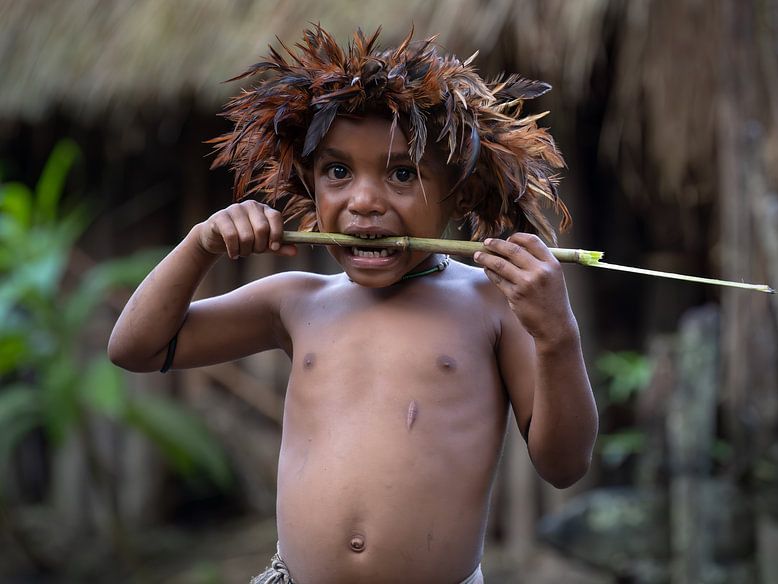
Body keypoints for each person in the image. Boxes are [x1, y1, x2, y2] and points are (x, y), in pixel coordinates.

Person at [108, 25, 598, 584]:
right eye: (338, 172)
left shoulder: (493, 305)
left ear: (459, 191)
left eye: (403, 173)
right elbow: (136, 348)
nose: (364, 202)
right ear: (309, 183)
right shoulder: (293, 301)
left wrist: (557, 336)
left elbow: (564, 466)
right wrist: (199, 247)